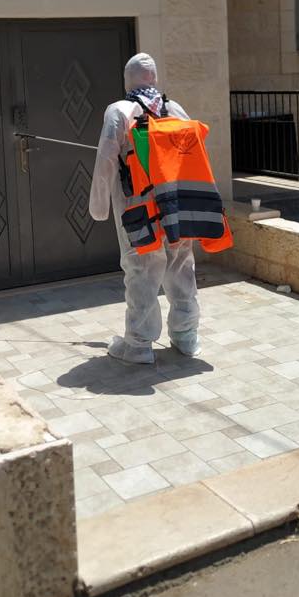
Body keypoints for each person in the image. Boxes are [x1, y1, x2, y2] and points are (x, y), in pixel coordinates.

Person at [89, 52, 200, 365]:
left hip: (137, 210)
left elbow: (106, 160)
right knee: (181, 267)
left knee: (141, 271)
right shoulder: (174, 109)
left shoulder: (119, 111)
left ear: (128, 79)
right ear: (154, 78)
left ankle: (138, 345)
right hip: (176, 207)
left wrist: (98, 207)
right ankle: (187, 336)